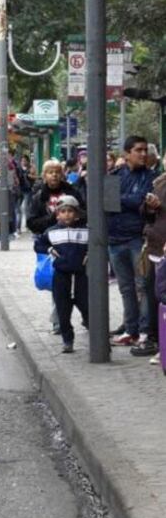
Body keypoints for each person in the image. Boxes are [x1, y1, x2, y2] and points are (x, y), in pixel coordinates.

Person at [108, 136, 158, 349]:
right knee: (126, 287)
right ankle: (131, 329)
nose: (143, 154)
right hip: (115, 239)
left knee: (144, 286)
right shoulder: (114, 176)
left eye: (145, 150)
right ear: (127, 153)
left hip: (139, 238)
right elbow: (108, 203)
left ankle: (146, 332)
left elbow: (142, 201)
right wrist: (132, 199)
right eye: (138, 150)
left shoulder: (151, 177)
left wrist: (123, 198)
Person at [35, 196, 89, 353]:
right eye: (63, 211)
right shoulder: (52, 232)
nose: (67, 215)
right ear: (57, 214)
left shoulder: (85, 230)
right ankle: (67, 339)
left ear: (77, 213)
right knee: (63, 310)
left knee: (86, 305)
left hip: (81, 275)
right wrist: (49, 250)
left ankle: (92, 329)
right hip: (61, 275)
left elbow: (96, 242)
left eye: (70, 211)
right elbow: (39, 244)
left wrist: (89, 253)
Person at [136, 169, 166, 358]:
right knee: (155, 294)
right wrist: (150, 207)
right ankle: (158, 341)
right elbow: (146, 215)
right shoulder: (159, 183)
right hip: (157, 248)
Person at [27, 160, 85, 236]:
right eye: (50, 172)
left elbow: (84, 214)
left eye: (57, 172)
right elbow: (31, 223)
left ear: (61, 174)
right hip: (47, 237)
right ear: (44, 176)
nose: (54, 175)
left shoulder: (72, 192)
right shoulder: (38, 197)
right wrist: (51, 218)